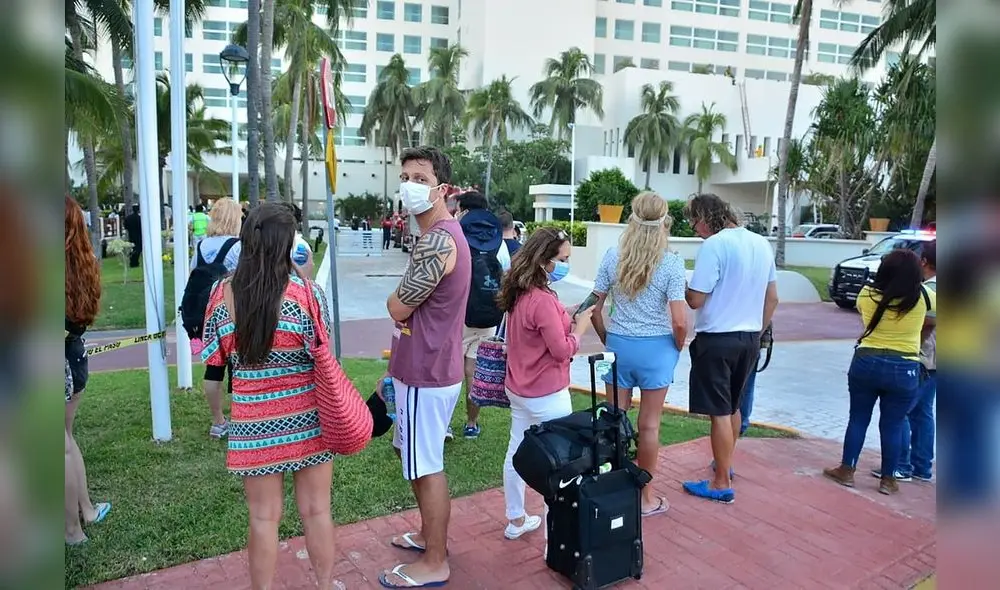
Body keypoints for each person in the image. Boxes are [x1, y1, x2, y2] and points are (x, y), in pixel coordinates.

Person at [201, 203, 337, 589]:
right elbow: (325, 351)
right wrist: (306, 278)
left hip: (252, 422)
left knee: (262, 518)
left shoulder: (219, 293)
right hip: (308, 417)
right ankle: (325, 586)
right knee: (316, 511)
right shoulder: (307, 294)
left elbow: (215, 355)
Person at [379, 146, 470, 588]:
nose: (411, 185)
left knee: (424, 464)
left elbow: (398, 304)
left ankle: (436, 560)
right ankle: (428, 534)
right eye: (406, 175)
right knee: (409, 453)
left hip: (427, 373)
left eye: (421, 177)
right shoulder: (437, 235)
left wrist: (396, 305)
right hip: (421, 369)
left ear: (443, 189)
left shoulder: (438, 239)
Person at [591, 192, 687, 516]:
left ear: (631, 218)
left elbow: (594, 308)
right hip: (657, 349)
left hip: (619, 345)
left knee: (613, 423)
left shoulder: (612, 256)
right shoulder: (672, 262)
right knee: (649, 426)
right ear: (665, 221)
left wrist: (609, 339)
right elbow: (679, 319)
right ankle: (646, 498)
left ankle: (611, 490)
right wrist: (678, 344)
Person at [682, 193, 778, 504]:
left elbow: (696, 299)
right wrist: (757, 330)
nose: (694, 229)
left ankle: (720, 482)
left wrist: (680, 286)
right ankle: (726, 465)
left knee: (719, 412)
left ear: (706, 217)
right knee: (734, 407)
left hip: (718, 338)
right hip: (749, 338)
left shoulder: (714, 245)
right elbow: (772, 297)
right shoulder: (761, 244)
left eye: (694, 222)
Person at [498, 227, 590, 539]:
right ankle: (557, 536)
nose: (564, 265)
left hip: (519, 389)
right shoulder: (541, 299)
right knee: (560, 463)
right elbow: (562, 349)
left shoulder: (519, 290)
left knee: (516, 452)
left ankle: (516, 519)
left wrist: (567, 315)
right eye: (562, 259)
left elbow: (539, 327)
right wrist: (580, 330)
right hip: (547, 394)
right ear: (544, 261)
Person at [824, 249, 936, 495]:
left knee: (858, 418)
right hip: (906, 366)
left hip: (867, 361)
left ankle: (847, 470)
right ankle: (888, 479)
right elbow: (935, 318)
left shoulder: (867, 294)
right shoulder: (926, 297)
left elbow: (865, 317)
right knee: (893, 424)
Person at [65, 196, 111, 544]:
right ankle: (86, 510)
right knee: (65, 440)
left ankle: (72, 530)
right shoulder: (82, 262)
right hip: (74, 357)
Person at [450, 191, 510, 440]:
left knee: (450, 373)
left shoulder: (455, 234)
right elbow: (507, 278)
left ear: (463, 209)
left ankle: (443, 426)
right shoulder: (499, 242)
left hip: (457, 317)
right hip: (489, 317)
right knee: (472, 372)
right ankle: (471, 424)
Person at [192, 197, 243, 439]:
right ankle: (241, 417)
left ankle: (218, 421)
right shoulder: (237, 246)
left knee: (213, 368)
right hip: (232, 311)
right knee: (239, 365)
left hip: (207, 311)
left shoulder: (201, 245)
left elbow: (194, 277)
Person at [886, 241, 936, 482]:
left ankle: (901, 466)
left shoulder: (928, 292)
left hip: (923, 358)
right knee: (923, 412)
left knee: (901, 412)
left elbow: (927, 324)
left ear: (924, 262)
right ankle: (922, 467)